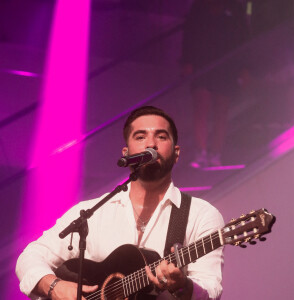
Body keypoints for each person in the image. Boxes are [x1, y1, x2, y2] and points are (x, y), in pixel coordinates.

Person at [16, 106, 224, 300]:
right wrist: (54, 286)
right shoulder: (91, 212)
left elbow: (210, 287)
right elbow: (30, 256)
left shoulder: (200, 214)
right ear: (126, 154)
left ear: (176, 153)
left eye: (161, 136)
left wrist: (183, 285)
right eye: (140, 137)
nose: (151, 144)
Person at [181, 0, 249, 168]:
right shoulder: (200, 7)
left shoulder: (235, 8)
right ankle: (201, 152)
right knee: (201, 105)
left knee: (221, 109)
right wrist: (187, 61)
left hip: (226, 65)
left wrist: (244, 68)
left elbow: (243, 38)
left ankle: (215, 153)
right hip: (202, 63)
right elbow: (189, 34)